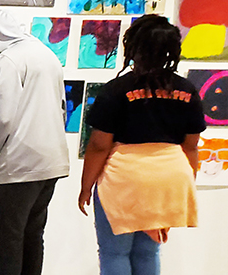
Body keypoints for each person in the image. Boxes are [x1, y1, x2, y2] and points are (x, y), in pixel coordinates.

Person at [79, 15, 204, 275]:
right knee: (149, 252)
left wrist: (85, 187)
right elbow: (191, 146)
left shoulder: (116, 90)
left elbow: (100, 146)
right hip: (170, 176)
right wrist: (186, 182)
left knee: (115, 252)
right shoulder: (187, 90)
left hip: (125, 178)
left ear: (133, 46)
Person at [0, 10, 70, 275]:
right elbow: (62, 108)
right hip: (51, 162)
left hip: (19, 163)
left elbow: (3, 117)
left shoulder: (10, 59)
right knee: (33, 235)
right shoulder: (49, 56)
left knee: (9, 239)